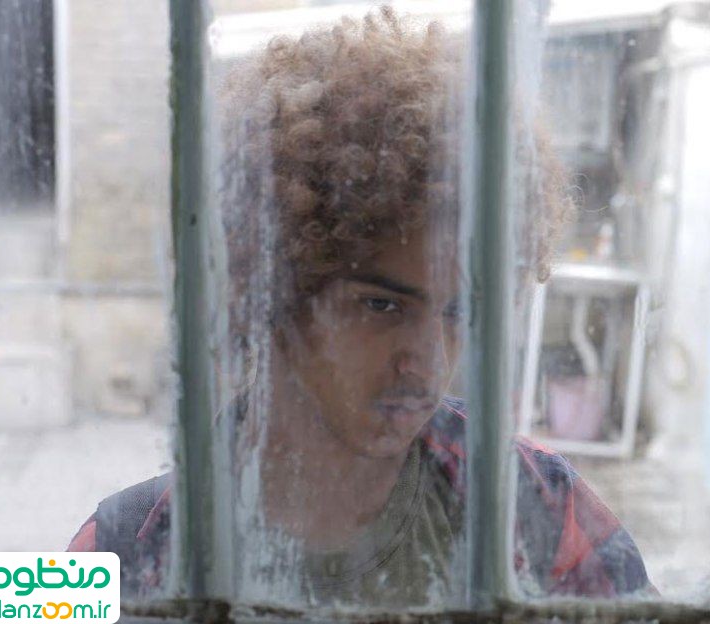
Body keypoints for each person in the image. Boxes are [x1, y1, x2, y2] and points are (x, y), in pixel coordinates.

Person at [67, 7, 654, 607]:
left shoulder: (539, 508)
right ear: (269, 292)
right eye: (381, 305)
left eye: (459, 313)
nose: (430, 361)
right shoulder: (120, 549)